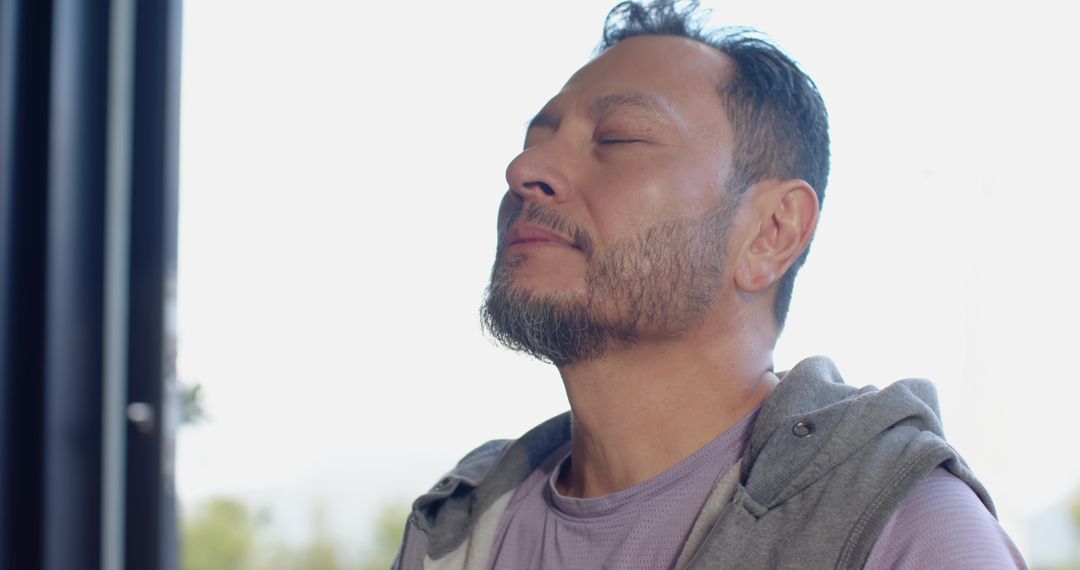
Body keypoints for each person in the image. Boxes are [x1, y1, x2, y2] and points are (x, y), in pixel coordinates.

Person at [395, 1, 1026, 568]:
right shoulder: (457, 527)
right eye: (535, 141)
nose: (524, 169)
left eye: (618, 138)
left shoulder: (909, 533)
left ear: (771, 233)